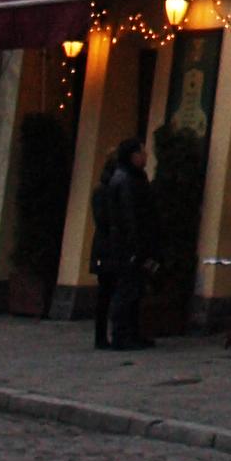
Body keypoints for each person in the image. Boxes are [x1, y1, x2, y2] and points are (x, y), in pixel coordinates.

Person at [90, 137, 154, 351]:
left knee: (129, 291)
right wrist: (131, 245)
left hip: (121, 245)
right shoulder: (121, 182)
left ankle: (127, 334)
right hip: (117, 247)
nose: (146, 156)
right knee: (118, 291)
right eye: (142, 152)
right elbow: (123, 218)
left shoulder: (133, 178)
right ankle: (117, 336)